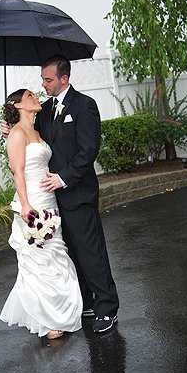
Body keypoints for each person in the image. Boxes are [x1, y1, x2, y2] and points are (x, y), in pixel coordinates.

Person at [36, 56, 120, 333]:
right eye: (42, 79)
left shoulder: (85, 106)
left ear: (64, 78)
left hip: (78, 193)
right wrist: (10, 129)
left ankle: (107, 308)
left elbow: (88, 151)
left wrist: (63, 178)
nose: (43, 84)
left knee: (91, 252)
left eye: (48, 79)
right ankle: (86, 302)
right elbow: (35, 144)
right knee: (71, 253)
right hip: (53, 200)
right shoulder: (45, 111)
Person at [0, 89, 83, 340]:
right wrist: (25, 205)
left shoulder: (37, 131)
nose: (36, 98)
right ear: (18, 105)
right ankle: (47, 320)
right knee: (38, 259)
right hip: (32, 201)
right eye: (29, 97)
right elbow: (18, 172)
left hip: (50, 199)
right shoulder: (16, 134)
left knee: (55, 254)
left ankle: (61, 311)